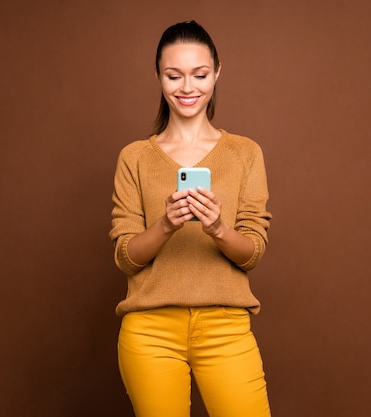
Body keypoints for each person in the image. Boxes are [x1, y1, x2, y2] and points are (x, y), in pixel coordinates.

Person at [109, 20, 273, 417]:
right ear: (158, 77)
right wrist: (166, 224)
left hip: (226, 328)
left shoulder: (246, 153)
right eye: (173, 75)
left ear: (217, 72)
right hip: (150, 331)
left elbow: (251, 253)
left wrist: (218, 228)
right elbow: (126, 257)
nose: (187, 88)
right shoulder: (134, 158)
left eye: (199, 74)